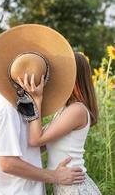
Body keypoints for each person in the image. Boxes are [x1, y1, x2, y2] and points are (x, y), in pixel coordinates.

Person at [0, 24, 85, 194]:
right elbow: (8, 163)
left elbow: (27, 147)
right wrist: (55, 176)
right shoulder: (6, 108)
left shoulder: (23, 103)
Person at [18, 52, 101, 194]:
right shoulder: (64, 110)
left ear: (73, 78)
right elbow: (39, 144)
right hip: (66, 185)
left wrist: (36, 99)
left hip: (74, 188)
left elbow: (35, 140)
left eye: (63, 74)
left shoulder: (77, 110)